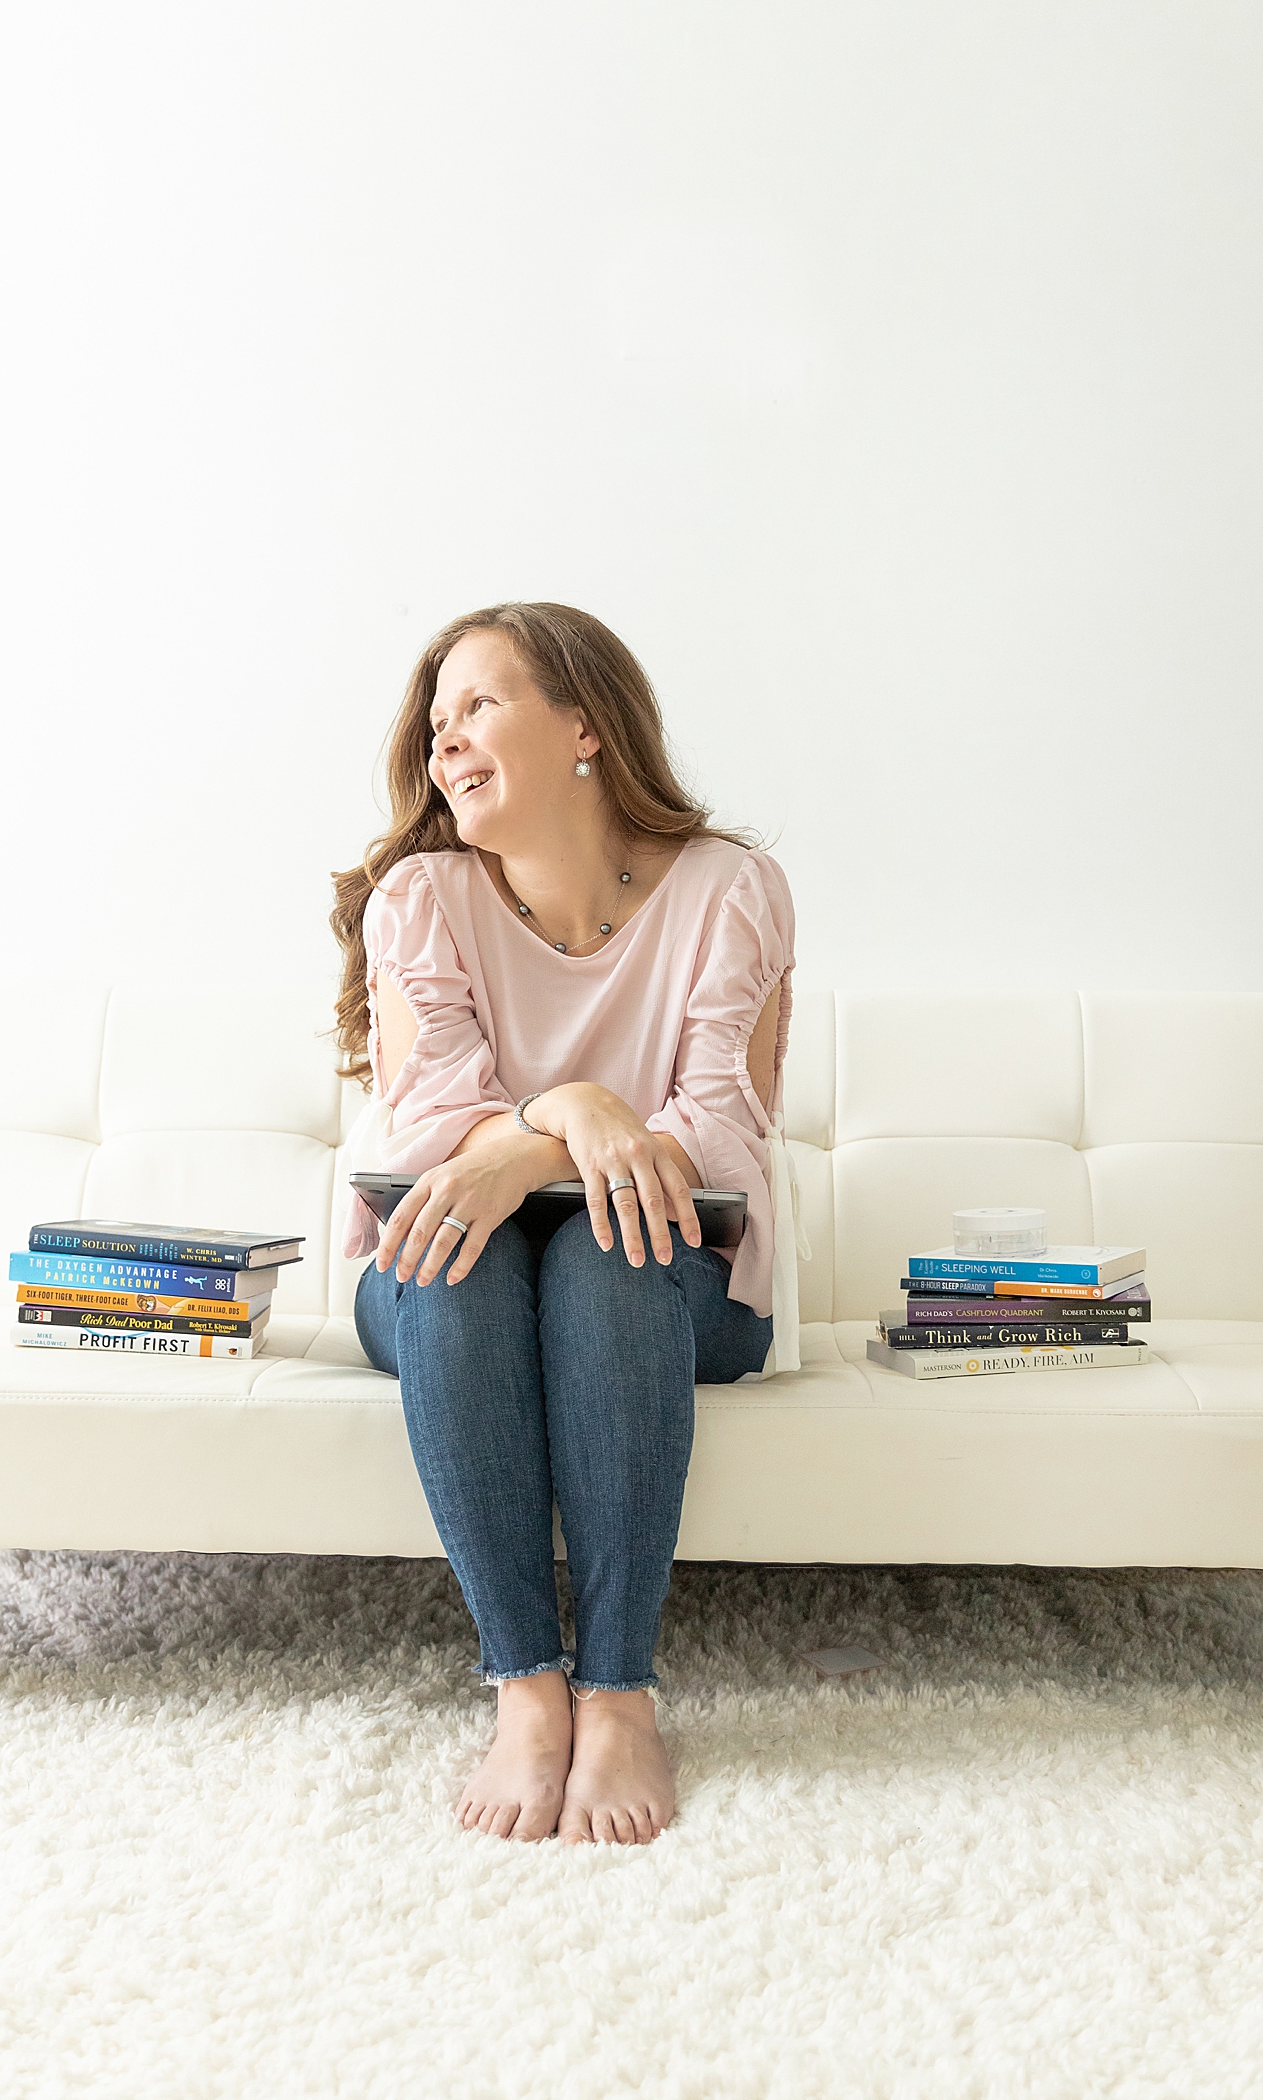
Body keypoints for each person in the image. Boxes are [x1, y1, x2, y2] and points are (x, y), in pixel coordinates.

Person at [331, 602, 800, 1846]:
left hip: (668, 1280)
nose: (445, 745)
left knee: (606, 1249)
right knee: (454, 1253)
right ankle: (527, 1689)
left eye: (476, 705)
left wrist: (554, 1138)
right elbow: (431, 1126)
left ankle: (619, 1692)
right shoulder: (418, 897)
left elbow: (716, 1133)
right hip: (448, 1274)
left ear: (584, 726)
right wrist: (578, 1113)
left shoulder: (728, 890)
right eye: (436, 726)